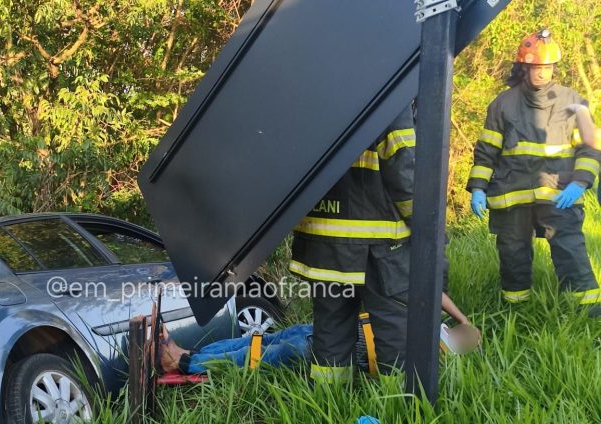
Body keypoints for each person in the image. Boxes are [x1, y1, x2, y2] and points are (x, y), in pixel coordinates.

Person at [466, 29, 601, 317]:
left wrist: (581, 182)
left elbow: (589, 150)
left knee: (570, 250)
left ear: (555, 67)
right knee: (513, 255)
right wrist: (478, 187)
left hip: (559, 192)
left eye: (548, 67)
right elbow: (486, 151)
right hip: (510, 194)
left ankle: (588, 314)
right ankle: (518, 313)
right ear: (524, 66)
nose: (542, 73)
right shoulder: (502, 104)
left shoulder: (573, 102)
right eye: (537, 67)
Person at [288, 104, 416, 384]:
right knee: (394, 329)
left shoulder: (307, 91)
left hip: (321, 242)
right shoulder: (390, 82)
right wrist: (425, 226)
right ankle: (401, 411)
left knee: (331, 329)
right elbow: (403, 166)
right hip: (377, 243)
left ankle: (327, 406)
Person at [159, 293, 480, 374]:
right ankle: (187, 355)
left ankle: (185, 364)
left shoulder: (440, 353)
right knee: (257, 341)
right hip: (326, 331)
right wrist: (463, 318)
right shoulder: (433, 325)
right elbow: (434, 292)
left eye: (471, 340)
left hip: (329, 349)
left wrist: (465, 333)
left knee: (258, 355)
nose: (467, 333)